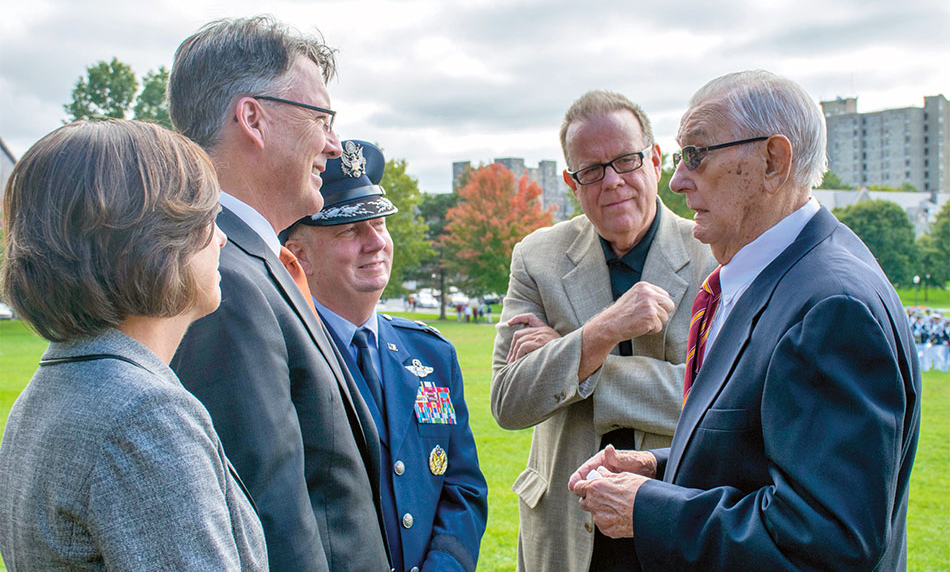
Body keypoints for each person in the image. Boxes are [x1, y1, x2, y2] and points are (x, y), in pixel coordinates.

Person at [569, 70, 921, 572]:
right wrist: (658, 467)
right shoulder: (776, 276)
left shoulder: (830, 307)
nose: (676, 179)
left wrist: (646, 507)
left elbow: (824, 541)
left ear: (773, 161)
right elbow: (764, 454)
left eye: (697, 154)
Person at [166, 17, 389, 571]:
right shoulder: (222, 282)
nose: (334, 146)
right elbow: (272, 517)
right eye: (321, 118)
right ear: (253, 118)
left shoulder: (252, 263)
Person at [0, 119, 267, 570]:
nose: (220, 238)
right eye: (206, 219)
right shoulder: (144, 416)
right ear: (154, 240)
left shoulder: (59, 384)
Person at [490, 91, 716, 572]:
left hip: (672, 515)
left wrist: (579, 363)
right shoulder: (536, 257)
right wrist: (602, 331)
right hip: (566, 529)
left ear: (655, 161)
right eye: (591, 170)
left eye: (626, 161)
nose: (611, 181)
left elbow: (713, 398)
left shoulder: (713, 255)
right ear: (573, 182)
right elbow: (509, 402)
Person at [282, 140, 488, 572]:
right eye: (351, 231)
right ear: (300, 255)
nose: (376, 242)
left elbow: (463, 487)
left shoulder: (431, 354)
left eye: (379, 224)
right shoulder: (285, 357)